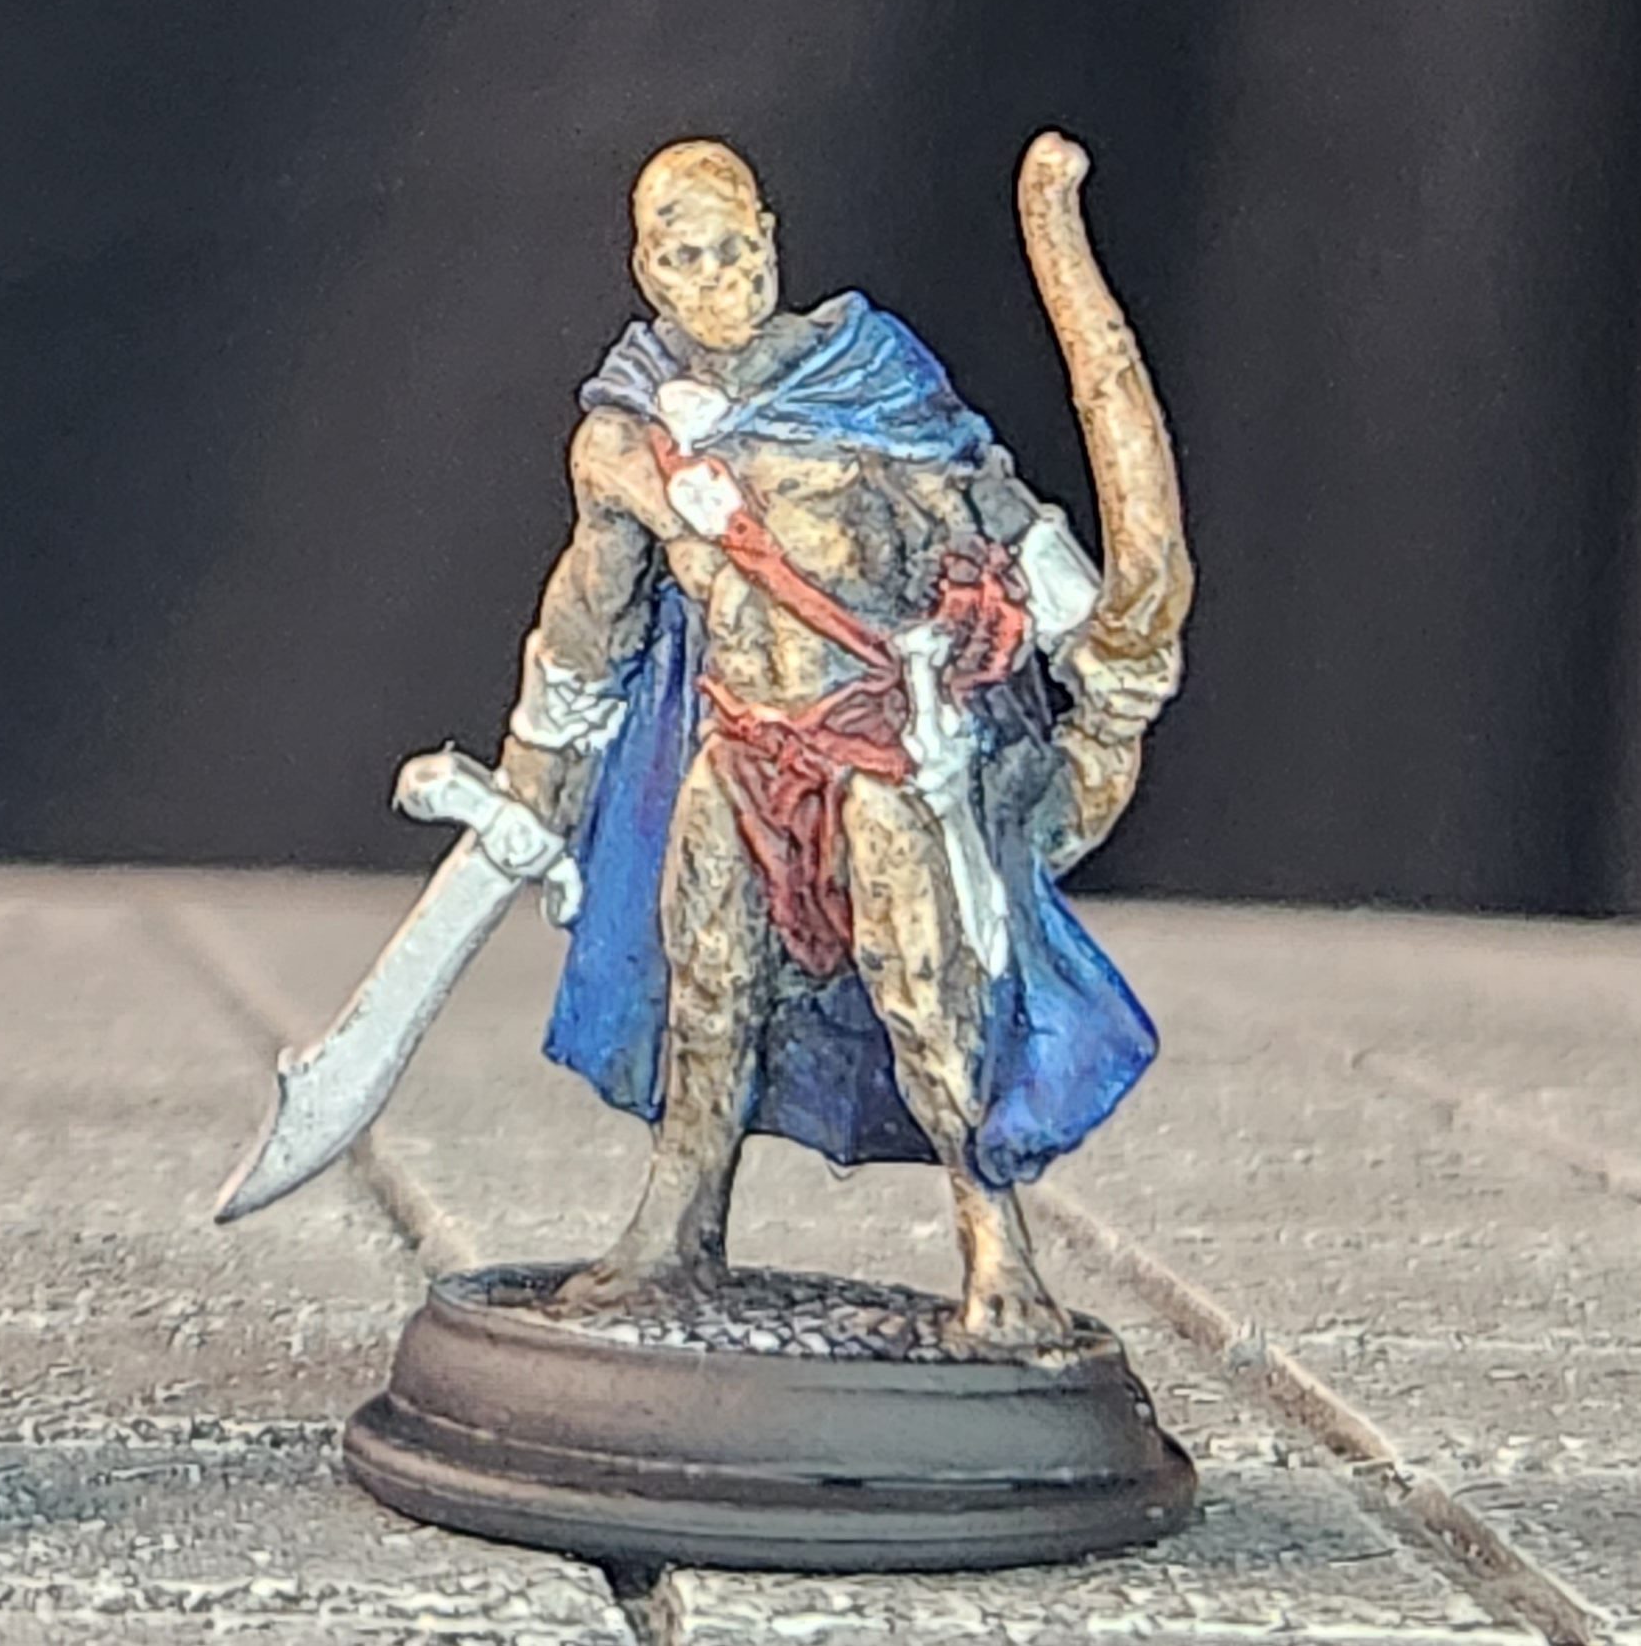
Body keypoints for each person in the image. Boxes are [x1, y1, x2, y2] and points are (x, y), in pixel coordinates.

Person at [497, 140, 1175, 1341]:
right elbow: (591, 608)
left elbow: (990, 508)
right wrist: (537, 762)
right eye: (686, 257)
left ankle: (997, 1249)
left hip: (875, 747)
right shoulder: (625, 438)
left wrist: (1101, 648)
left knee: (929, 994)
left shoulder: (865, 381)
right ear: (647, 269)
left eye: (734, 248)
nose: (718, 277)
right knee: (707, 988)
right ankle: (675, 1226)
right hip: (740, 748)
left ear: (770, 238)